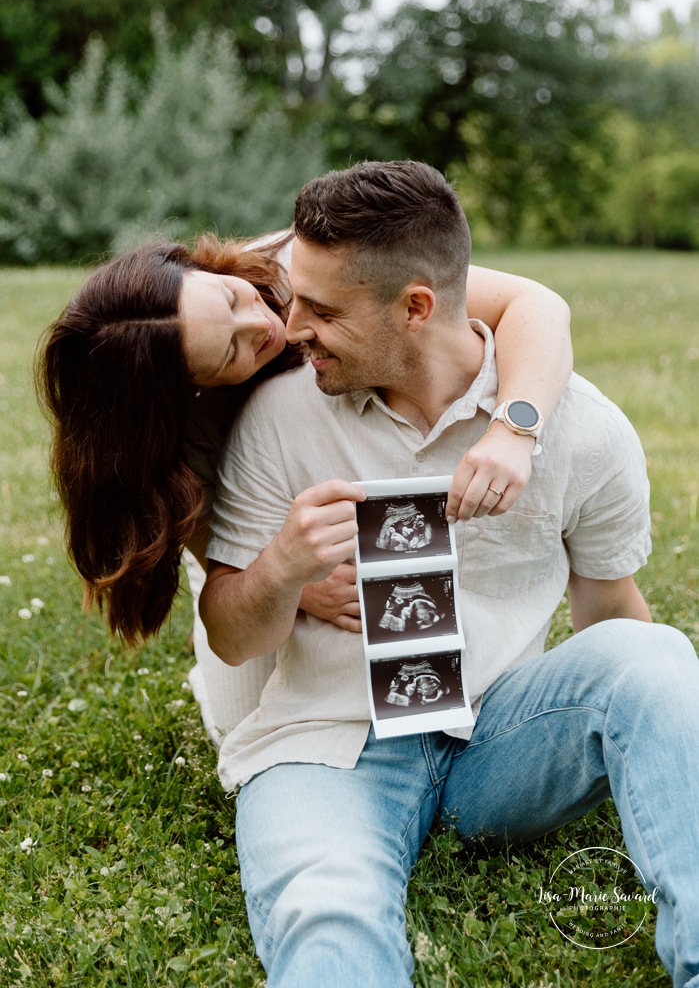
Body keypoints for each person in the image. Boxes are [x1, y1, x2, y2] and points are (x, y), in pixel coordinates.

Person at [199, 160, 699, 986]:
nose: (290, 329)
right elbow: (229, 635)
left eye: (322, 311)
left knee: (655, 656)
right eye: (294, 300)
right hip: (330, 745)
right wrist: (281, 566)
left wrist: (657, 739)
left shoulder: (581, 429)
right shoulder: (278, 416)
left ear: (416, 307)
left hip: (496, 742)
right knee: (327, 909)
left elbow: (612, 614)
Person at [37, 223, 573, 738]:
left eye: (231, 298)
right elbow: (230, 563)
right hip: (254, 529)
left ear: (197, 267)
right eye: (231, 351)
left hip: (347, 470)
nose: (264, 326)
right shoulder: (181, 441)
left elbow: (536, 304)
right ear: (191, 390)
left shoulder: (311, 262)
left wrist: (513, 431)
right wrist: (294, 582)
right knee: (244, 731)